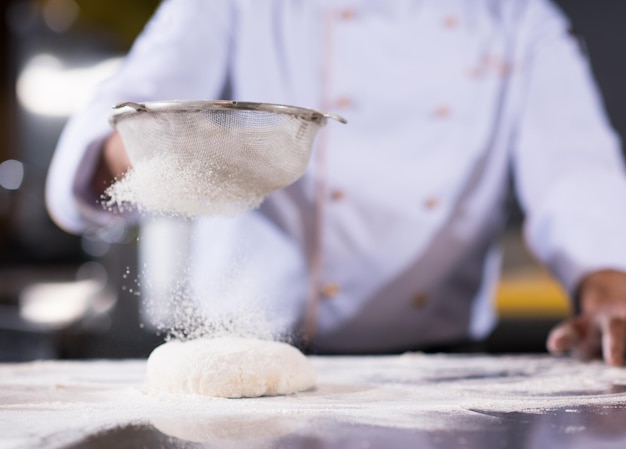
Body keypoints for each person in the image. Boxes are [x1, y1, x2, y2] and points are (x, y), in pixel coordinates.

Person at [46, 0, 626, 364]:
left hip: (435, 373)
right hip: (234, 360)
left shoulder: (518, 18)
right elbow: (114, 134)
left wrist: (608, 285)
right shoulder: (234, 7)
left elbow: (576, 170)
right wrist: (162, 143)